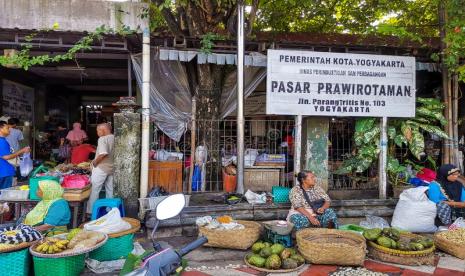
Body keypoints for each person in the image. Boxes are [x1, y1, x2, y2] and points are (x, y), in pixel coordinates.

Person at [86, 123, 114, 215]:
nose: (97, 133)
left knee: (94, 189)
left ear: (103, 130)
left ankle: (91, 211)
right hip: (112, 168)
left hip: (101, 168)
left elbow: (103, 153)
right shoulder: (115, 138)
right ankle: (110, 211)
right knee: (110, 190)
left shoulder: (102, 139)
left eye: (98, 130)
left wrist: (94, 163)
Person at [0, 121, 30, 189]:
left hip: (4, 171)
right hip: (4, 172)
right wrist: (22, 151)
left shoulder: (3, 140)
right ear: (0, 129)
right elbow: (6, 157)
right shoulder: (1, 141)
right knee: (4, 196)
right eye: (7, 128)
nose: (9, 130)